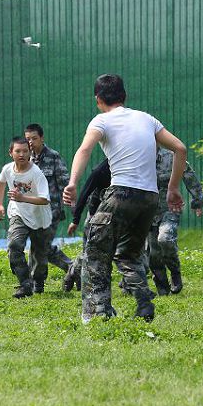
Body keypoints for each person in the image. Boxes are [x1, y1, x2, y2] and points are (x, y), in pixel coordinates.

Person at [63, 74, 187, 323]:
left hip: (121, 193)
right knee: (128, 254)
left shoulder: (101, 120)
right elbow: (180, 148)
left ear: (98, 99)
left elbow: (85, 149)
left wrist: (73, 183)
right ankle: (143, 303)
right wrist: (173, 188)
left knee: (95, 252)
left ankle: (99, 312)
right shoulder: (146, 118)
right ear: (125, 96)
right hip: (149, 198)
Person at [0, 136, 53, 299]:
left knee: (39, 256)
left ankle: (39, 282)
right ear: (11, 153)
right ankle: (25, 284)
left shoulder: (36, 173)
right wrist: (0, 205)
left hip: (39, 217)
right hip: (18, 214)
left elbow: (45, 199)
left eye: (25, 151)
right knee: (14, 245)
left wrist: (22, 198)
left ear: (30, 153)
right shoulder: (7, 169)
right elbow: (1, 182)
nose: (21, 154)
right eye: (17, 151)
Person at [147, 147, 203, 295]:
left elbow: (190, 176)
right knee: (153, 253)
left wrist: (197, 202)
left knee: (165, 239)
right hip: (147, 212)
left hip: (169, 208)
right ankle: (162, 287)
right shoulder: (137, 158)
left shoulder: (172, 157)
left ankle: (175, 271)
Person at [24, 123, 73, 293]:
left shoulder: (53, 157)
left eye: (34, 139)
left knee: (40, 246)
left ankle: (36, 283)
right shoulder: (25, 159)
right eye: (27, 139)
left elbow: (65, 185)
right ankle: (73, 268)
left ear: (42, 138)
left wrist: (73, 211)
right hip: (31, 212)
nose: (30, 142)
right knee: (40, 246)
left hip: (51, 211)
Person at [62, 158, 111, 292]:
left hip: (118, 215)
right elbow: (84, 193)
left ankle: (129, 286)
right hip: (97, 216)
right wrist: (75, 220)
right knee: (91, 252)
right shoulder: (101, 170)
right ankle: (73, 272)